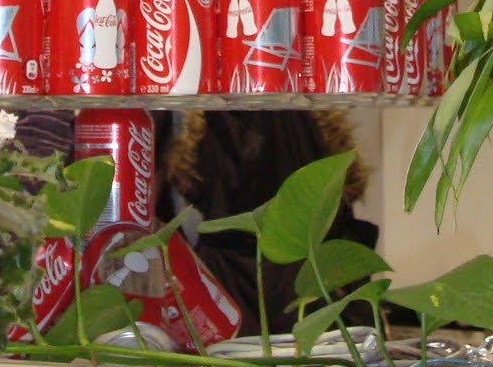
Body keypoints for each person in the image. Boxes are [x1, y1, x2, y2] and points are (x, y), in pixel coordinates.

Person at [160, 110, 377, 336]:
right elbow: (348, 184)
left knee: (235, 351)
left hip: (229, 276)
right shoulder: (313, 119)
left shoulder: (218, 117)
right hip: (311, 272)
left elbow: (193, 183)